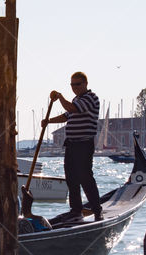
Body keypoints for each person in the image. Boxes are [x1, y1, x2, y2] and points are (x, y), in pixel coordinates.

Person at [42, 71, 102, 219]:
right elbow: (66, 116)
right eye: (72, 85)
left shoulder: (91, 98)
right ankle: (76, 210)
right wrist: (48, 121)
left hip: (84, 144)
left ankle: (97, 209)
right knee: (71, 178)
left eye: (77, 84)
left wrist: (60, 97)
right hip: (71, 144)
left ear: (85, 84)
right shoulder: (76, 99)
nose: (74, 87)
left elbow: (71, 109)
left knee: (85, 177)